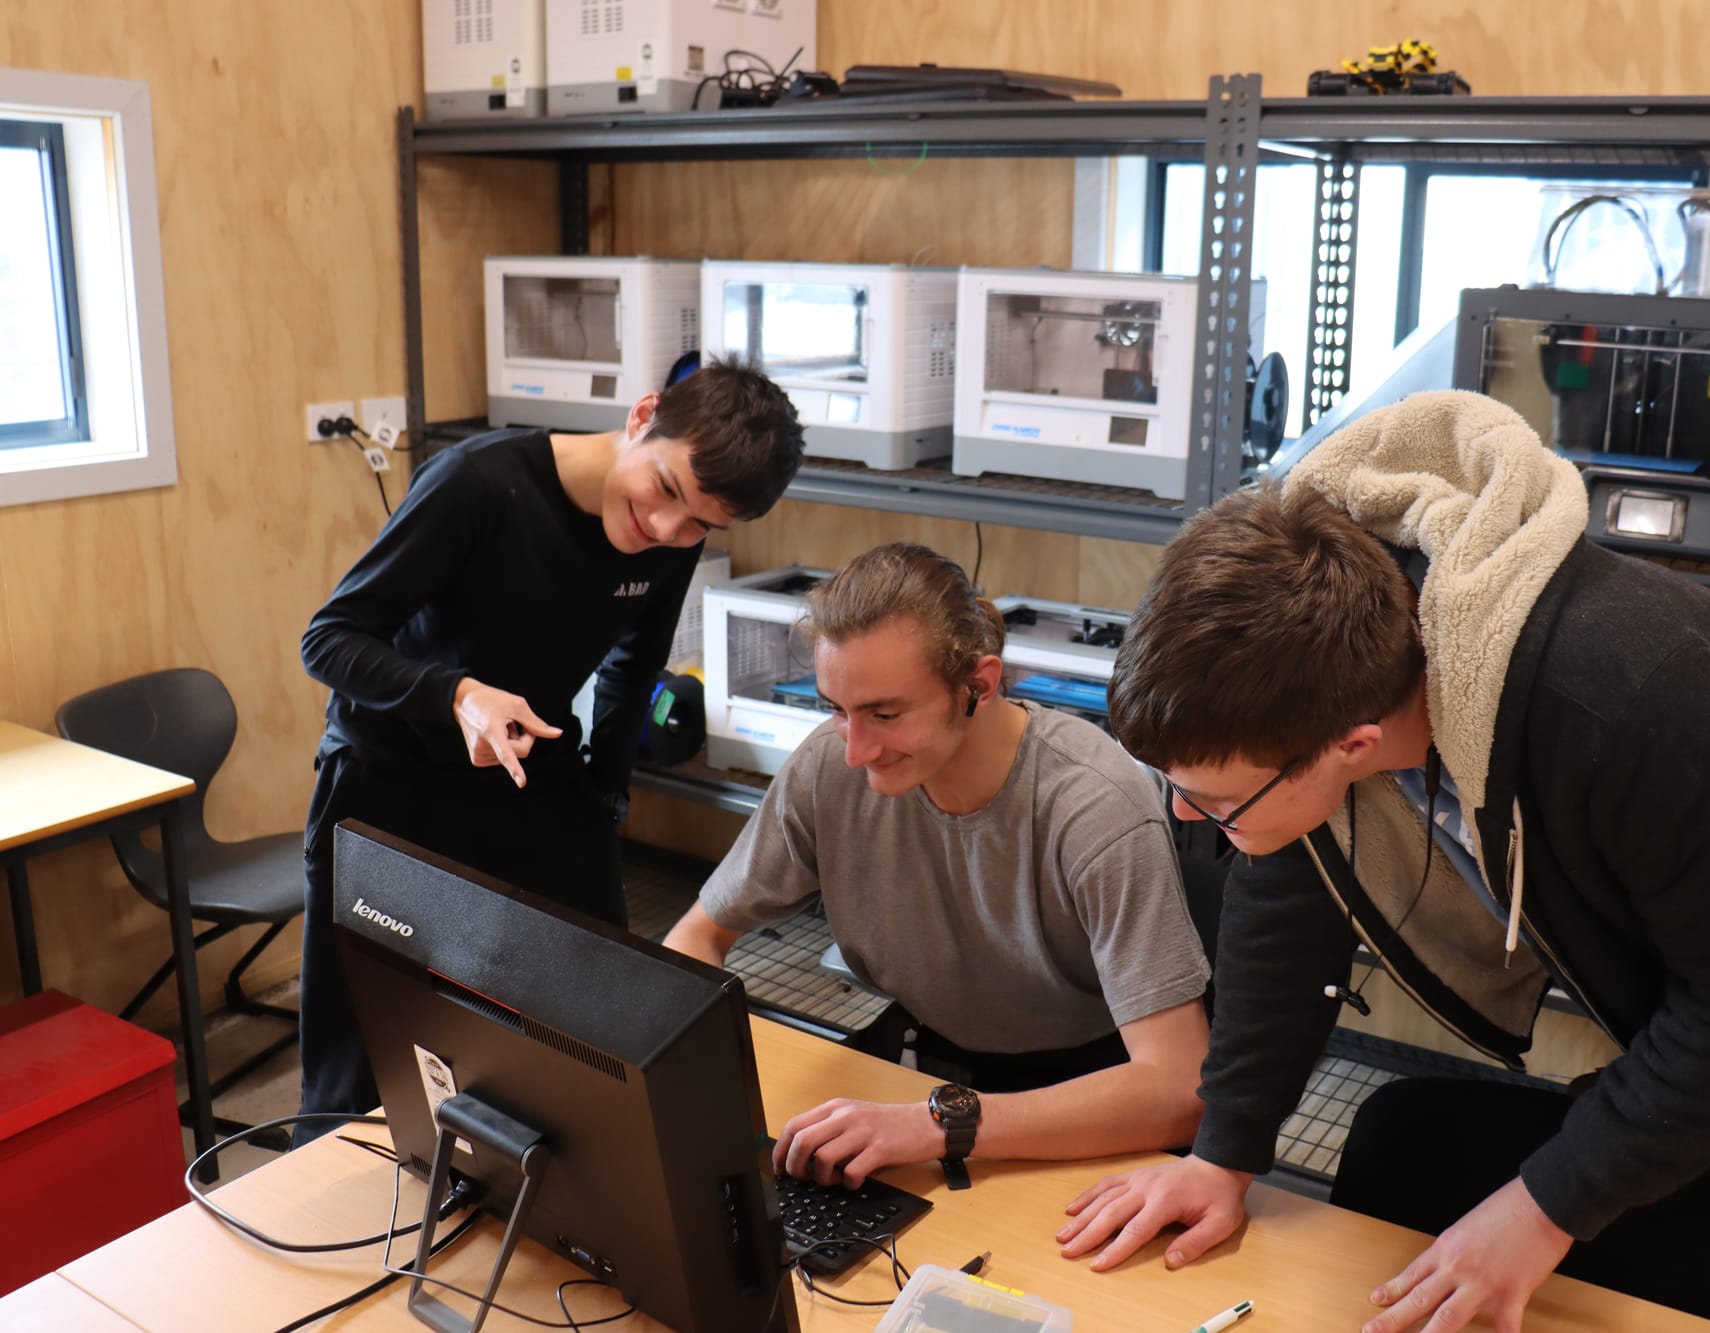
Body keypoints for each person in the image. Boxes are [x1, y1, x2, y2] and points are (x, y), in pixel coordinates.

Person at [1056, 390, 1710, 1333]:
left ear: (1350, 744)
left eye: (1217, 802)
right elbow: (1293, 881)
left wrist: (1538, 1209)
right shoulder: (1346, 648)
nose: (1184, 815)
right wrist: (1223, 1153)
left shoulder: (1616, 693)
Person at [295, 360, 804, 1140]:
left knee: (600, 1011)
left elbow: (633, 668)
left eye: (703, 525)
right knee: (359, 1060)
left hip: (527, 767)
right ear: (642, 415)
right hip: (387, 776)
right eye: (666, 490)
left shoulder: (671, 536)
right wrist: (459, 694)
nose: (670, 532)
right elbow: (328, 640)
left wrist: (604, 796)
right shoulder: (476, 483)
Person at [664, 542, 1212, 1190]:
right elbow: (697, 935)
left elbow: (1181, 1091)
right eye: (835, 709)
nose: (855, 749)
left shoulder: (1095, 805)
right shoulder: (826, 768)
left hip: (1090, 1088)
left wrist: (937, 1124)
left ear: (977, 687)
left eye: (885, 714)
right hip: (932, 1061)